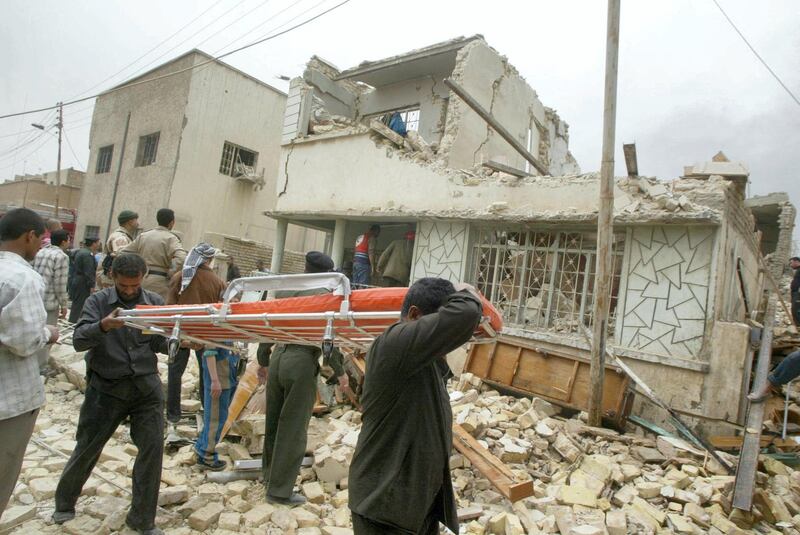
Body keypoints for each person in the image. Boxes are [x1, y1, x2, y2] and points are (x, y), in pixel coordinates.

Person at [349, 278, 483, 534]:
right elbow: (465, 313)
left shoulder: (422, 359)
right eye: (434, 327)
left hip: (413, 505)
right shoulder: (393, 344)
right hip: (384, 506)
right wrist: (465, 291)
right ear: (414, 315)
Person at [53, 254, 169, 535]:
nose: (129, 291)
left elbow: (159, 343)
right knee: (88, 446)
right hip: (106, 389)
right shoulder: (98, 302)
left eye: (134, 286)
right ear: (112, 278)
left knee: (152, 450)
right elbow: (79, 340)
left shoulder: (153, 303)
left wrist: (183, 340)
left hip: (146, 388)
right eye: (124, 286)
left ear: (142, 278)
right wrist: (104, 326)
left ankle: (142, 520)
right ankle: (64, 504)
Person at [258, 251, 349, 506]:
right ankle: (280, 491)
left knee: (274, 422)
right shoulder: (324, 296)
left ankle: (269, 476)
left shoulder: (287, 289)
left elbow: (270, 323)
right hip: (301, 360)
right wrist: (340, 373)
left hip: (278, 356)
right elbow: (328, 340)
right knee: (293, 428)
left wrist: (263, 359)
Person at [0, 208, 59, 515]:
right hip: (10, 402)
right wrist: (48, 333)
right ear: (29, 236)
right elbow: (24, 341)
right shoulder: (22, 277)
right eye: (40, 238)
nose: (40, 246)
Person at [165, 243, 226, 442]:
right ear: (209, 260)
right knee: (207, 375)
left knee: (175, 374)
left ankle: (172, 416)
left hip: (182, 334)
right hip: (205, 335)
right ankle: (205, 410)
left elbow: (168, 308)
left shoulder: (180, 277)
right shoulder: (218, 282)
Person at [122, 208, 187, 300]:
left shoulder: (143, 236)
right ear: (172, 222)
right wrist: (171, 272)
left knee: (137, 308)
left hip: (140, 279)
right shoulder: (171, 238)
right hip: (160, 280)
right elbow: (182, 258)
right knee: (155, 311)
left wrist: (134, 269)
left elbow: (124, 253)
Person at [32, 228, 71, 374]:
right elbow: (60, 283)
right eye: (68, 239)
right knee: (47, 335)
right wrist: (64, 304)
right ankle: (41, 367)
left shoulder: (40, 252)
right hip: (49, 302)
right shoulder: (61, 257)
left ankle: (31, 362)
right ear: (63, 241)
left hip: (36, 298)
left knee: (35, 332)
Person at [194, 346, 239, 470]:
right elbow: (210, 353)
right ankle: (207, 457)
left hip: (226, 378)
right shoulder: (216, 329)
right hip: (219, 381)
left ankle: (201, 447)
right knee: (215, 420)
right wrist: (214, 380)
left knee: (216, 418)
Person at [98, 210, 140, 288]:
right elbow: (123, 258)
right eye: (136, 220)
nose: (138, 223)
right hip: (113, 281)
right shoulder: (120, 237)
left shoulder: (123, 235)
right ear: (130, 222)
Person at [68, 237, 100, 323]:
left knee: (77, 303)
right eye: (97, 243)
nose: (98, 245)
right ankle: (75, 322)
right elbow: (89, 271)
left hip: (77, 279)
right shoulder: (88, 254)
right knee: (80, 304)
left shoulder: (81, 251)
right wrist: (91, 285)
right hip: (83, 282)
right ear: (93, 244)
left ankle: (73, 320)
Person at [790, 256, 800, 326]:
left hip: (798, 292)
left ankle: (798, 325)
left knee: (796, 310)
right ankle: (797, 325)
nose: (790, 264)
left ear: (796, 262)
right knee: (795, 309)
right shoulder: (798, 270)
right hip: (795, 292)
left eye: (791, 262)